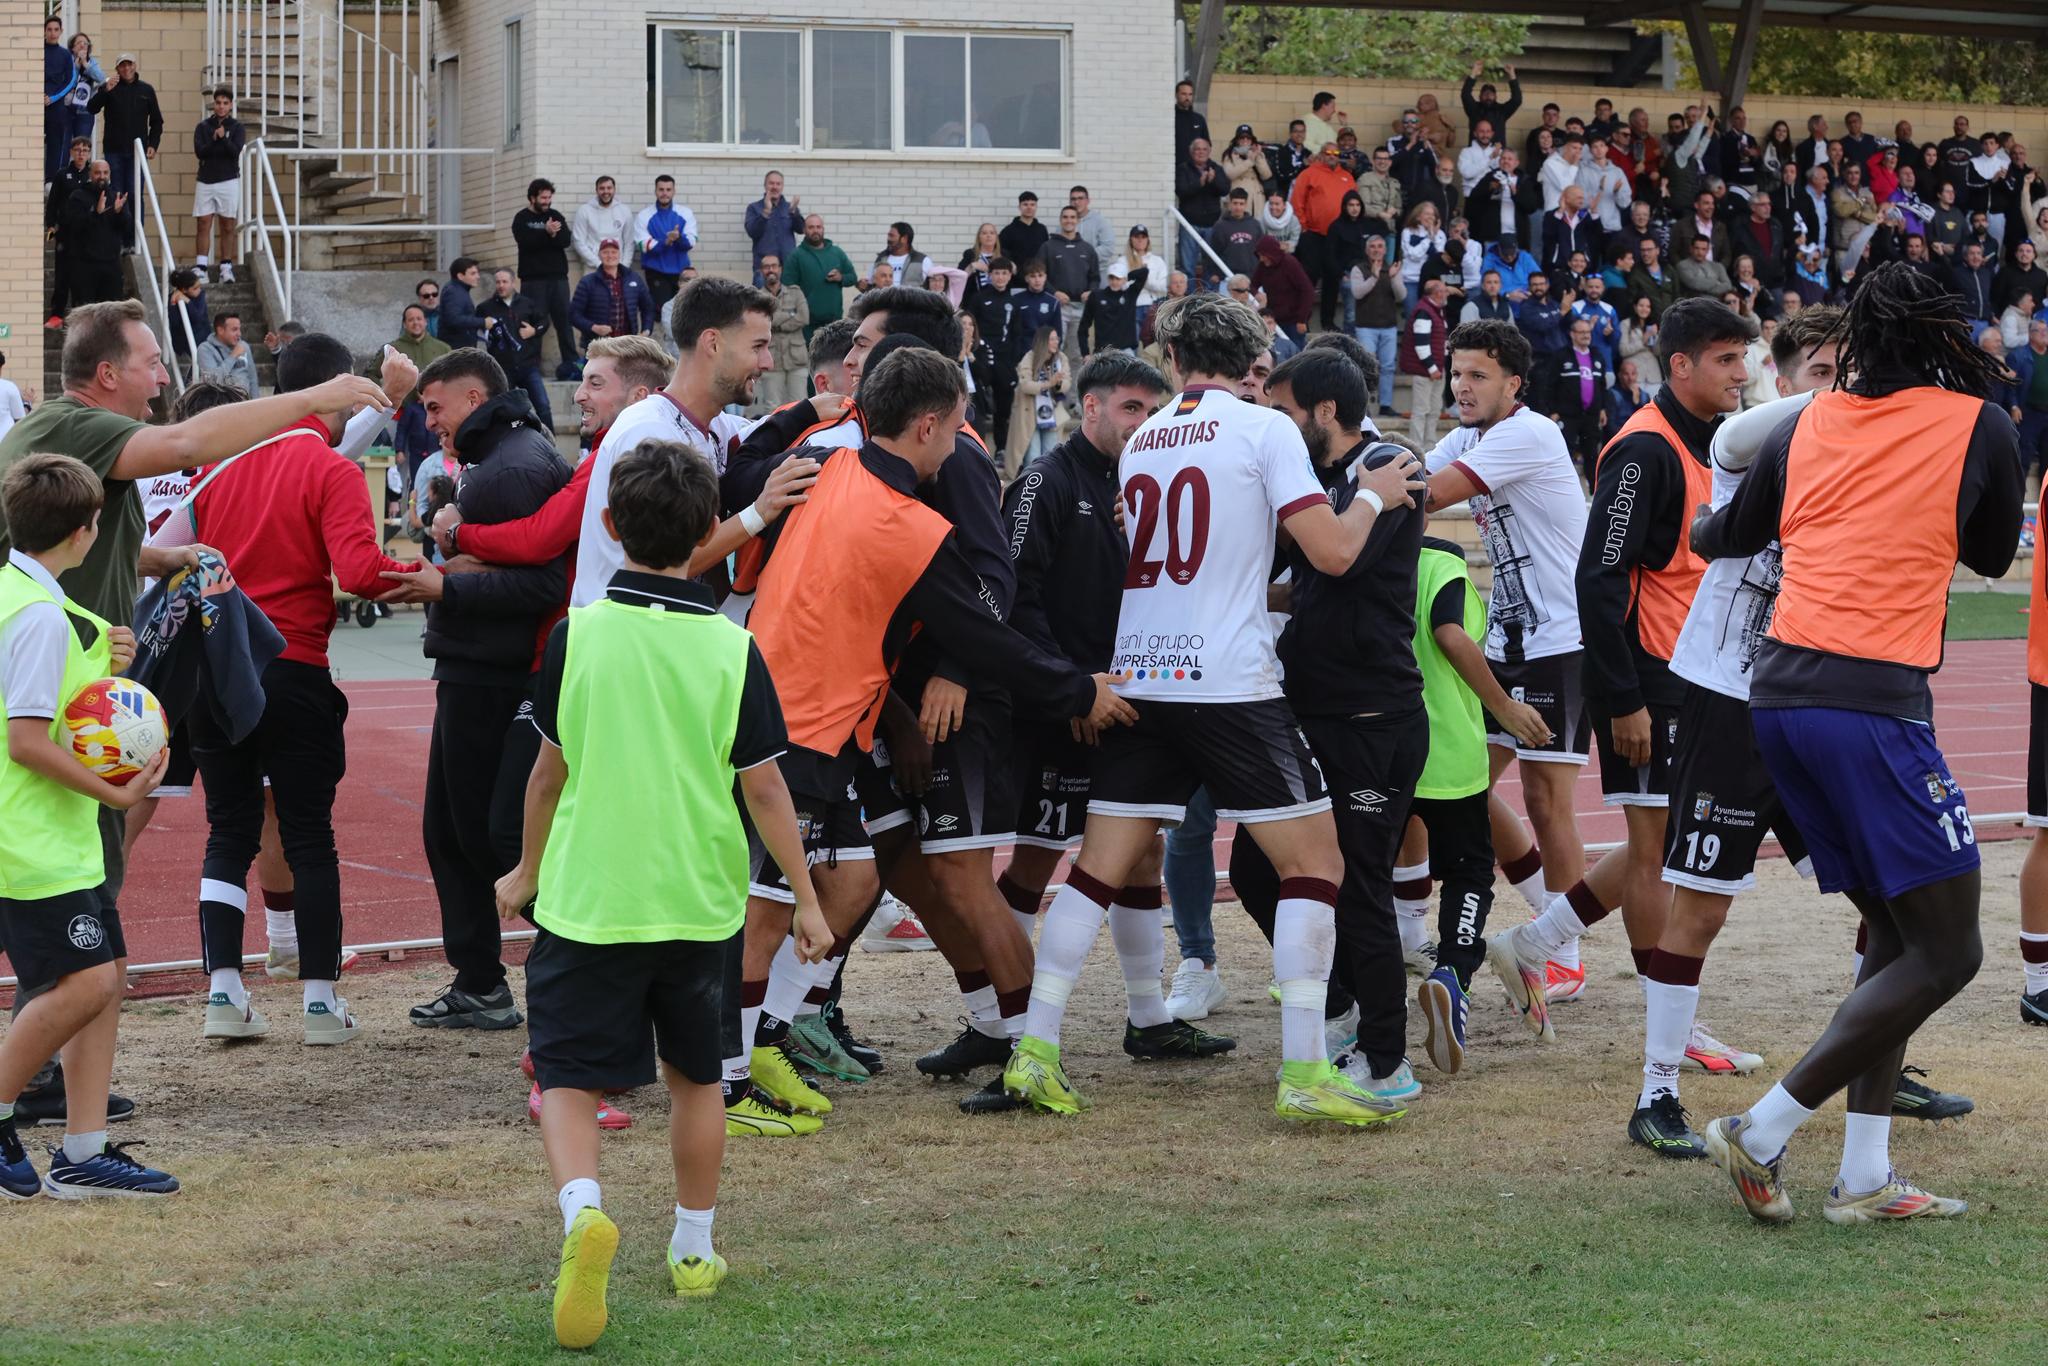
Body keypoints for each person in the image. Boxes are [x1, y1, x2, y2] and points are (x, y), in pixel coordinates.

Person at [998, 291, 1426, 1125]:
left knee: (1092, 872)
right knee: (1316, 865)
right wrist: (1372, 491)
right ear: (1253, 361)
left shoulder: (1144, 435)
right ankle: (1305, 1069)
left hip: (1142, 676)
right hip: (1227, 680)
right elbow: (1335, 554)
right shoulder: (1264, 428)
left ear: (1172, 360)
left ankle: (1035, 1051)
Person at [1690, 262, 2021, 1226]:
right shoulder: (1978, 424)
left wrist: (1701, 507)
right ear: (1945, 340)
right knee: (1951, 951)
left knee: (1895, 935)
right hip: (1870, 704)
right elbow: (1993, 554)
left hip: (1782, 696)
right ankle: (1761, 1129)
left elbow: (1731, 533)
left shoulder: (1810, 420)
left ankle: (1866, 1176)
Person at [486, 437, 823, 1346]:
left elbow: (546, 778)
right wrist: (809, 900)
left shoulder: (578, 635)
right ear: (709, 529)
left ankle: (585, 1212)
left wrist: (523, 872)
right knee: (697, 1080)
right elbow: (765, 787)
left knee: (564, 1073)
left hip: (592, 898)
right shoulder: (731, 646)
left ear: (606, 526)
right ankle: (693, 1247)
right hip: (701, 902)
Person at [735, 348, 1132, 1117]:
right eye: (955, 429)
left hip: (819, 721)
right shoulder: (905, 523)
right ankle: (728, 1079)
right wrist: (1079, 688)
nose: (960, 446)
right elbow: (986, 636)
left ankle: (763, 1040)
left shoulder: (822, 467)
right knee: (768, 908)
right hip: (800, 726)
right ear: (926, 425)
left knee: (856, 879)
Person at [1491, 299, 1763, 1051]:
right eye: (1726, 359)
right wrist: (1625, 699)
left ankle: (1533, 942)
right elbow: (1598, 578)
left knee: (1666, 837)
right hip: (1651, 680)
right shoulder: (1641, 449)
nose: (1742, 373)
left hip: (1695, 673)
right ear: (1680, 366)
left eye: (1744, 357)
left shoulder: (1716, 441)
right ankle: (1668, 1022)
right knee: (1657, 852)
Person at [925, 354, 1176, 1101]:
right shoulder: (1044, 481)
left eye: (1150, 413)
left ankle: (1150, 1016)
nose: (1141, 427)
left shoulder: (1136, 485)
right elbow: (1012, 592)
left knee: (1142, 855)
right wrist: (1069, 690)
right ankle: (1008, 1028)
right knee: (1039, 864)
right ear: (1088, 407)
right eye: (1130, 410)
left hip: (1118, 702)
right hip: (1060, 711)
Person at [184, 333, 417, 1046]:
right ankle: (320, 1001)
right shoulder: (329, 469)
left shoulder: (222, 465)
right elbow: (360, 572)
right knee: (310, 835)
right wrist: (433, 578)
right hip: (295, 664)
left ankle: (223, 989)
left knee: (227, 831)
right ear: (342, 389)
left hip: (220, 664)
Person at [1236, 348, 1426, 1102]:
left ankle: (1387, 1059)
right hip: (1312, 710)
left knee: (1359, 883)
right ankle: (1347, 1001)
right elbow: (1313, 583)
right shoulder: (1320, 482)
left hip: (1372, 717)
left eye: (1282, 412)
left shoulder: (1390, 468)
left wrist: (1366, 500)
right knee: (1258, 868)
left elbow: (1342, 564)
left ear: (1321, 412)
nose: (1275, 428)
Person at [375, 349, 570, 1031]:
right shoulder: (502, 456)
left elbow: (547, 584)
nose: (429, 423)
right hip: (478, 665)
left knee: (492, 836)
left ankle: (580, 959)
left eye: (436, 407)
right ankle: (481, 980)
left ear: (474, 397)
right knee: (453, 832)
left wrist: (448, 583)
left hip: (497, 673)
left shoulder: (512, 466)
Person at [0, 453, 177, 1202]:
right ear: (85, 532)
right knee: (86, 981)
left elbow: (61, 696)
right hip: (33, 839)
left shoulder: (30, 601)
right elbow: (28, 739)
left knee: (105, 979)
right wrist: (116, 789)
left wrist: (105, 656)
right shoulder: (39, 618)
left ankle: (83, 1151)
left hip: (58, 838)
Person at [1421, 321, 1591, 996]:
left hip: (1562, 638)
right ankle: (1543, 923)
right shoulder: (1466, 436)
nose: (1462, 386)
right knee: (1466, 783)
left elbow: (1423, 494)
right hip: (1508, 638)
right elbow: (1408, 467)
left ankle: (1566, 955)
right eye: (1457, 372)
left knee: (1548, 801)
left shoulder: (1530, 432)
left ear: (1513, 385)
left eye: (1478, 375)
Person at [511, 179, 578, 379]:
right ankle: (532, 367)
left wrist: (553, 235)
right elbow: (525, 242)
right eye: (543, 198)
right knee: (534, 323)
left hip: (558, 279)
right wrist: (546, 233)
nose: (547, 201)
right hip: (533, 280)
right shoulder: (522, 218)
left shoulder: (555, 215)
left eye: (549, 197)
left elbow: (565, 240)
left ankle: (572, 364)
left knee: (564, 321)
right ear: (533, 198)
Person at [87, 54, 162, 232]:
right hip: (114, 151)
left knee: (135, 195)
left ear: (135, 66)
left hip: (138, 153)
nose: (126, 68)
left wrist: (153, 144)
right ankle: (117, 237)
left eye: (129, 64)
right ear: (117, 69)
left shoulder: (146, 90)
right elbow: (91, 108)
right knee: (115, 194)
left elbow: (157, 121)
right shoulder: (109, 87)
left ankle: (136, 238)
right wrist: (105, 90)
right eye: (122, 65)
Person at [478, 268, 556, 431]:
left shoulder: (527, 303)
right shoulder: (485, 308)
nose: (500, 285)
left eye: (504, 281)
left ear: (513, 283)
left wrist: (534, 330)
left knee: (543, 406)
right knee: (502, 410)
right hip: (502, 368)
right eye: (498, 282)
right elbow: (478, 331)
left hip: (528, 365)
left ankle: (550, 443)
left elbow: (544, 322)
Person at [375, 304, 450, 469]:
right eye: (411, 320)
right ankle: (402, 495)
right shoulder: (391, 349)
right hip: (398, 413)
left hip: (433, 414)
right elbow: (371, 373)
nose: (415, 323)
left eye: (419, 319)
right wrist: (383, 395)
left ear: (425, 322)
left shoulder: (443, 348)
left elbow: (452, 379)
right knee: (399, 461)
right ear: (404, 324)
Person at [191, 87, 245, 282]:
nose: (221, 106)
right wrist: (216, 141)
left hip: (228, 179)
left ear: (230, 105)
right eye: (218, 103)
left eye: (225, 103)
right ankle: (201, 266)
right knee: (203, 222)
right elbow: (201, 152)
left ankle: (226, 266)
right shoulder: (203, 126)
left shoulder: (237, 127)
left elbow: (234, 152)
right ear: (213, 104)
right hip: (206, 179)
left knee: (228, 224)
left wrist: (223, 139)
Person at [569, 238, 656, 353]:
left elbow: (648, 307)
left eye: (614, 252)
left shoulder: (634, 279)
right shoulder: (587, 282)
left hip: (627, 345)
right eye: (605, 252)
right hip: (597, 346)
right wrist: (594, 327)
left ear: (620, 254)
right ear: (599, 255)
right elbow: (573, 314)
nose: (610, 256)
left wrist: (646, 331)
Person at [1547, 316, 1610, 473]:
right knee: (1563, 453)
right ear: (1572, 334)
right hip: (1567, 414)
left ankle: (1593, 493)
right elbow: (1549, 385)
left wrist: (1603, 408)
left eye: (1588, 332)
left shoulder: (1597, 355)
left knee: (1592, 455)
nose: (1586, 335)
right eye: (1581, 332)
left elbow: (1602, 385)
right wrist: (1552, 411)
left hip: (1591, 415)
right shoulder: (1560, 356)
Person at [60, 161, 127, 308]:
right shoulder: (78, 196)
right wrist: (95, 213)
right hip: (84, 266)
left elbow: (126, 228)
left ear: (109, 174)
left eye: (105, 173)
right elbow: (74, 226)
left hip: (111, 265)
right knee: (84, 314)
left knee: (112, 313)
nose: (102, 176)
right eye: (97, 173)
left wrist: (118, 213)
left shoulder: (117, 197)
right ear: (90, 174)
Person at [1351, 235, 1404, 415]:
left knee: (1388, 366)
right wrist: (1374, 276)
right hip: (1366, 326)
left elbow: (1401, 296)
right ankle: (1364, 405)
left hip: (1388, 326)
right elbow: (1357, 293)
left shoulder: (1392, 269)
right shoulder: (1359, 269)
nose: (1376, 249)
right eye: (1372, 246)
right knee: (1366, 366)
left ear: (1385, 250)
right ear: (1367, 250)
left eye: (1380, 246)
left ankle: (1385, 405)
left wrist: (1394, 278)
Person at [785, 214, 858, 343]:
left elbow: (852, 277)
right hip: (807, 324)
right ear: (804, 230)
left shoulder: (836, 252)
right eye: (811, 227)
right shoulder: (796, 255)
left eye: (818, 227)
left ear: (823, 229)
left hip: (834, 322)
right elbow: (787, 286)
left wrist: (841, 277)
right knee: (809, 360)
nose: (815, 230)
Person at [755, 254, 811, 415]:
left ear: (780, 269)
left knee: (801, 406)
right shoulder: (757, 297)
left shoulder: (795, 292)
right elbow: (758, 324)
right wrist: (790, 315)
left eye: (774, 266)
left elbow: (804, 317)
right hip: (771, 359)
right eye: (766, 267)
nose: (770, 270)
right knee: (772, 408)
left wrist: (773, 320)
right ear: (761, 271)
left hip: (796, 358)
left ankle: (801, 440)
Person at [634, 175, 696, 317]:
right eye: (661, 189)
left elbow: (691, 242)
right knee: (662, 314)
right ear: (655, 191)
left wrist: (679, 237)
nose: (664, 193)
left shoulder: (685, 213)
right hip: (656, 272)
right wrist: (666, 241)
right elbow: (643, 245)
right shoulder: (644, 215)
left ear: (674, 191)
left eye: (668, 189)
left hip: (681, 272)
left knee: (684, 314)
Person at [1043, 207, 1100, 360]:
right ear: (1061, 220)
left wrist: (1091, 291)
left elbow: (1095, 277)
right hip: (1057, 307)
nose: (1069, 220)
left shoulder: (1087, 249)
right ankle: (1051, 383)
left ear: (1077, 220)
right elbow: (1040, 276)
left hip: (1080, 309)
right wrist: (1054, 293)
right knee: (1053, 349)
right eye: (1066, 217)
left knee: (1076, 353)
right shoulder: (1048, 246)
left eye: (1072, 217)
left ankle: (1073, 385)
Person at [1007, 328, 1069, 468]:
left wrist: (1058, 384)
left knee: (1051, 456)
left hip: (1052, 415)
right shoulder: (1030, 357)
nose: (1056, 342)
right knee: (1033, 457)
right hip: (1030, 414)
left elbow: (1067, 381)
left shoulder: (1061, 358)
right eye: (1052, 339)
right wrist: (1049, 384)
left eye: (1057, 338)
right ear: (1043, 341)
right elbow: (1025, 385)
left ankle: (1048, 487)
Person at [1176, 140, 1227, 279]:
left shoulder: (1216, 168)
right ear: (1191, 152)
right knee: (1188, 268)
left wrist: (1213, 181)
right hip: (1189, 225)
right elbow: (1181, 191)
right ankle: (1190, 300)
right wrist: (1199, 183)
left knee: (1211, 267)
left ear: (1209, 151)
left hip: (1212, 225)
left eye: (1204, 149)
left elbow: (1225, 189)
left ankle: (1209, 299)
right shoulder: (1183, 168)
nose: (1201, 152)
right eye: (1197, 149)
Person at [571, 176, 633, 272]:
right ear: (596, 190)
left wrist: (624, 266)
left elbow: (629, 242)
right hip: (592, 268)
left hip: (617, 267)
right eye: (602, 188)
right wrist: (598, 263)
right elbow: (578, 241)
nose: (606, 192)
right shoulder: (584, 210)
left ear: (614, 190)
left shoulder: (624, 211)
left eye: (609, 188)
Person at [195, 311, 259, 397]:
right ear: (220, 330)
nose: (239, 334)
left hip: (244, 402)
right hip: (221, 404)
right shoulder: (205, 349)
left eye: (239, 329)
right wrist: (233, 356)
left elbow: (252, 379)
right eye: (234, 330)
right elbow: (212, 381)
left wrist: (256, 403)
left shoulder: (244, 346)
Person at [1461, 62, 1523, 148]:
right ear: (1479, 97)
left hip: (1497, 155)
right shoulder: (1474, 109)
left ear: (1496, 97)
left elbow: (1517, 100)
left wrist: (1512, 75)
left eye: (1491, 94)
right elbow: (1465, 94)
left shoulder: (1502, 111)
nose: (1488, 96)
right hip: (1475, 154)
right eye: (1485, 94)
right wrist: (1474, 73)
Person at [439, 257, 485, 350]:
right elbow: (453, 319)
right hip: (456, 348)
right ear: (460, 276)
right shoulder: (453, 291)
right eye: (473, 273)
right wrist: (482, 322)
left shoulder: (459, 290)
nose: (478, 276)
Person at [1173, 81, 1210, 173]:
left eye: (1190, 94)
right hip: (1175, 168)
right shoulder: (1170, 117)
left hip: (1195, 170)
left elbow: (1207, 143)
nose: (1187, 97)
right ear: (1176, 95)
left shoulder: (1199, 119)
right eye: (1184, 94)